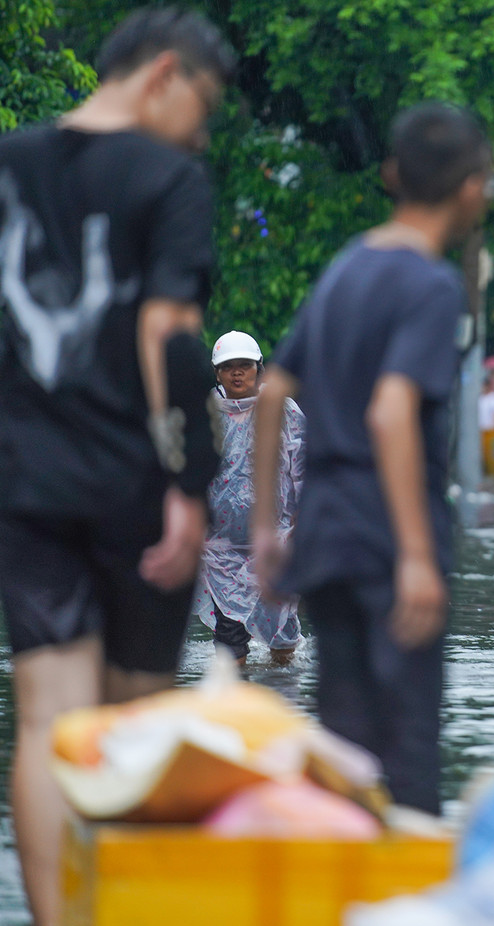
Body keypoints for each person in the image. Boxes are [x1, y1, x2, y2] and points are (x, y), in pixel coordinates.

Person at [0, 9, 233, 922]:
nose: (202, 131)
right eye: (203, 106)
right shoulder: (168, 177)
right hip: (131, 480)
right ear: (163, 75)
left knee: (48, 717)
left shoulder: (8, 161)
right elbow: (167, 331)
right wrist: (185, 483)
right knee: (135, 721)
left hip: (21, 482)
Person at [252, 102, 494, 815]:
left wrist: (268, 529)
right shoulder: (430, 282)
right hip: (389, 538)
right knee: (408, 757)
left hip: (325, 535)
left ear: (391, 175)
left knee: (345, 752)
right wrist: (417, 555)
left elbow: (273, 395)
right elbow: (390, 412)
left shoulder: (346, 266)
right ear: (472, 187)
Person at [193, 330, 305, 666]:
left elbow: (303, 468)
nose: (237, 373)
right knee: (230, 641)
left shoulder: (282, 411)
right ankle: (234, 703)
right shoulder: (205, 413)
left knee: (282, 631)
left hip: (274, 541)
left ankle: (280, 694)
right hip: (221, 549)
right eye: (229, 367)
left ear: (260, 369)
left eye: (245, 365)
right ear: (217, 373)